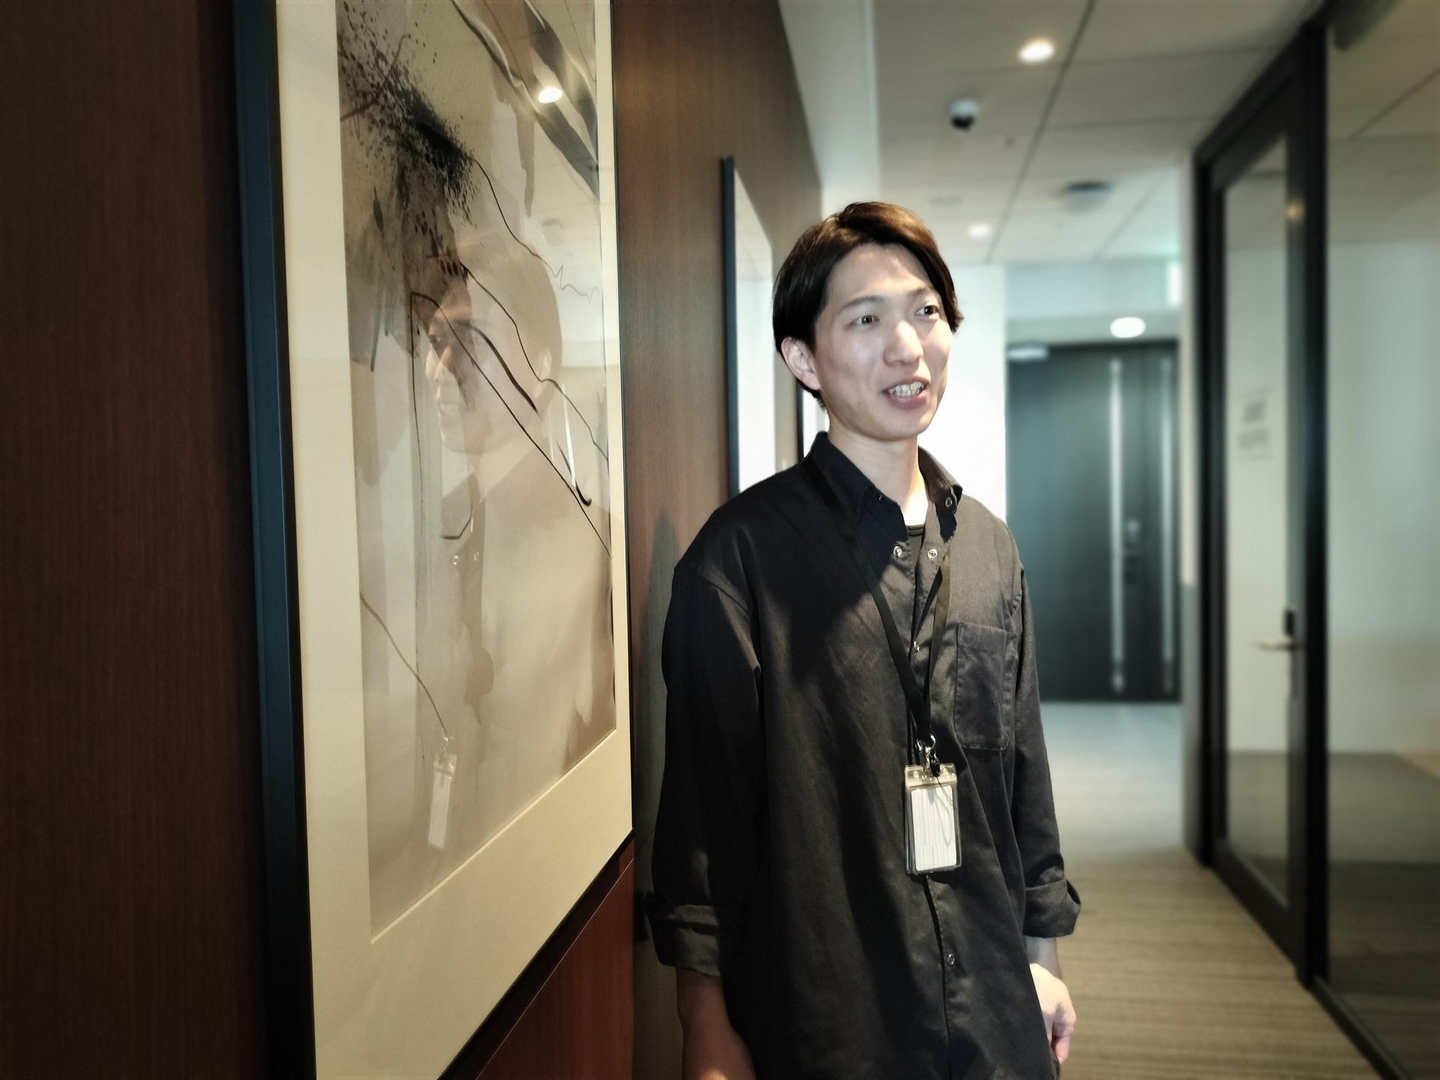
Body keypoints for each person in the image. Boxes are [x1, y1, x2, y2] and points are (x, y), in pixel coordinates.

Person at [648, 202, 1080, 1079]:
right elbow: (703, 829)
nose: (907, 347)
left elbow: (1023, 784)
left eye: (926, 312)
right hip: (834, 1024)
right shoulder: (738, 562)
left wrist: (1041, 961)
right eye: (866, 320)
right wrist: (706, 1029)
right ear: (803, 359)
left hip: (996, 1016)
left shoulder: (988, 547)